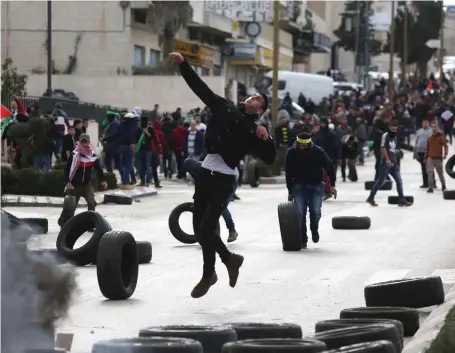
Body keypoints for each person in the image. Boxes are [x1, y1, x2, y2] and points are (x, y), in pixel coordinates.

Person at [169, 51, 276, 298]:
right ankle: (214, 270)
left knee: (207, 227)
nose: (253, 98)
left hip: (224, 179)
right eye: (253, 95)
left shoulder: (254, 130)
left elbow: (270, 158)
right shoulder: (225, 107)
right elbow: (201, 89)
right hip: (206, 172)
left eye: (258, 99)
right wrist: (184, 65)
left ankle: (222, 264)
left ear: (260, 110)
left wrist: (267, 138)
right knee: (200, 230)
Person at [285, 132, 336, 248]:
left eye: (304, 146)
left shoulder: (318, 152)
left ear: (309, 144)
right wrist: (290, 190)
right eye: (300, 145)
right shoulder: (292, 152)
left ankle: (314, 229)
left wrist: (332, 184)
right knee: (300, 214)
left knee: (316, 212)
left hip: (316, 186)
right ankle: (303, 238)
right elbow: (288, 172)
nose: (302, 148)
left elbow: (329, 166)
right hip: (299, 187)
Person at [366, 121, 412, 207]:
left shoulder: (394, 137)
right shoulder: (385, 135)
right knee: (380, 181)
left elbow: (393, 149)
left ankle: (401, 199)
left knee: (399, 181)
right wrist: (387, 160)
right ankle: (371, 197)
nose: (394, 131)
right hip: (385, 163)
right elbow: (383, 148)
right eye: (392, 129)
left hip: (393, 163)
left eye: (395, 129)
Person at [65, 134, 107, 211]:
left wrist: (103, 180)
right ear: (79, 142)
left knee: (91, 203)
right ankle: (67, 221)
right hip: (75, 186)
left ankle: (90, 220)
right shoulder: (74, 155)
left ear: (88, 142)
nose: (84, 144)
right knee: (71, 206)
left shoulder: (92, 155)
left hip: (87, 185)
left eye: (86, 142)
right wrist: (68, 181)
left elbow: (99, 169)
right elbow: (68, 169)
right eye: (82, 142)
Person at [425, 120, 448, 193]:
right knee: (430, 172)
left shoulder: (441, 136)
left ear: (437, 127)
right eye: (432, 127)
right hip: (430, 158)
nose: (434, 128)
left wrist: (445, 154)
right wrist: (425, 157)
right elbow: (427, 148)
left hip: (438, 158)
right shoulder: (429, 137)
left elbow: (445, 146)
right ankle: (430, 187)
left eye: (435, 127)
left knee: (440, 173)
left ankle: (443, 185)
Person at [414, 118, 433, 188]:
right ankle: (425, 183)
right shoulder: (419, 131)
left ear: (429, 123)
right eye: (424, 123)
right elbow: (416, 142)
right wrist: (415, 152)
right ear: (422, 124)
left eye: (426, 123)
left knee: (430, 168)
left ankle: (432, 183)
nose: (425, 124)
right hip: (420, 152)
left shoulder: (431, 131)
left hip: (429, 152)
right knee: (423, 168)